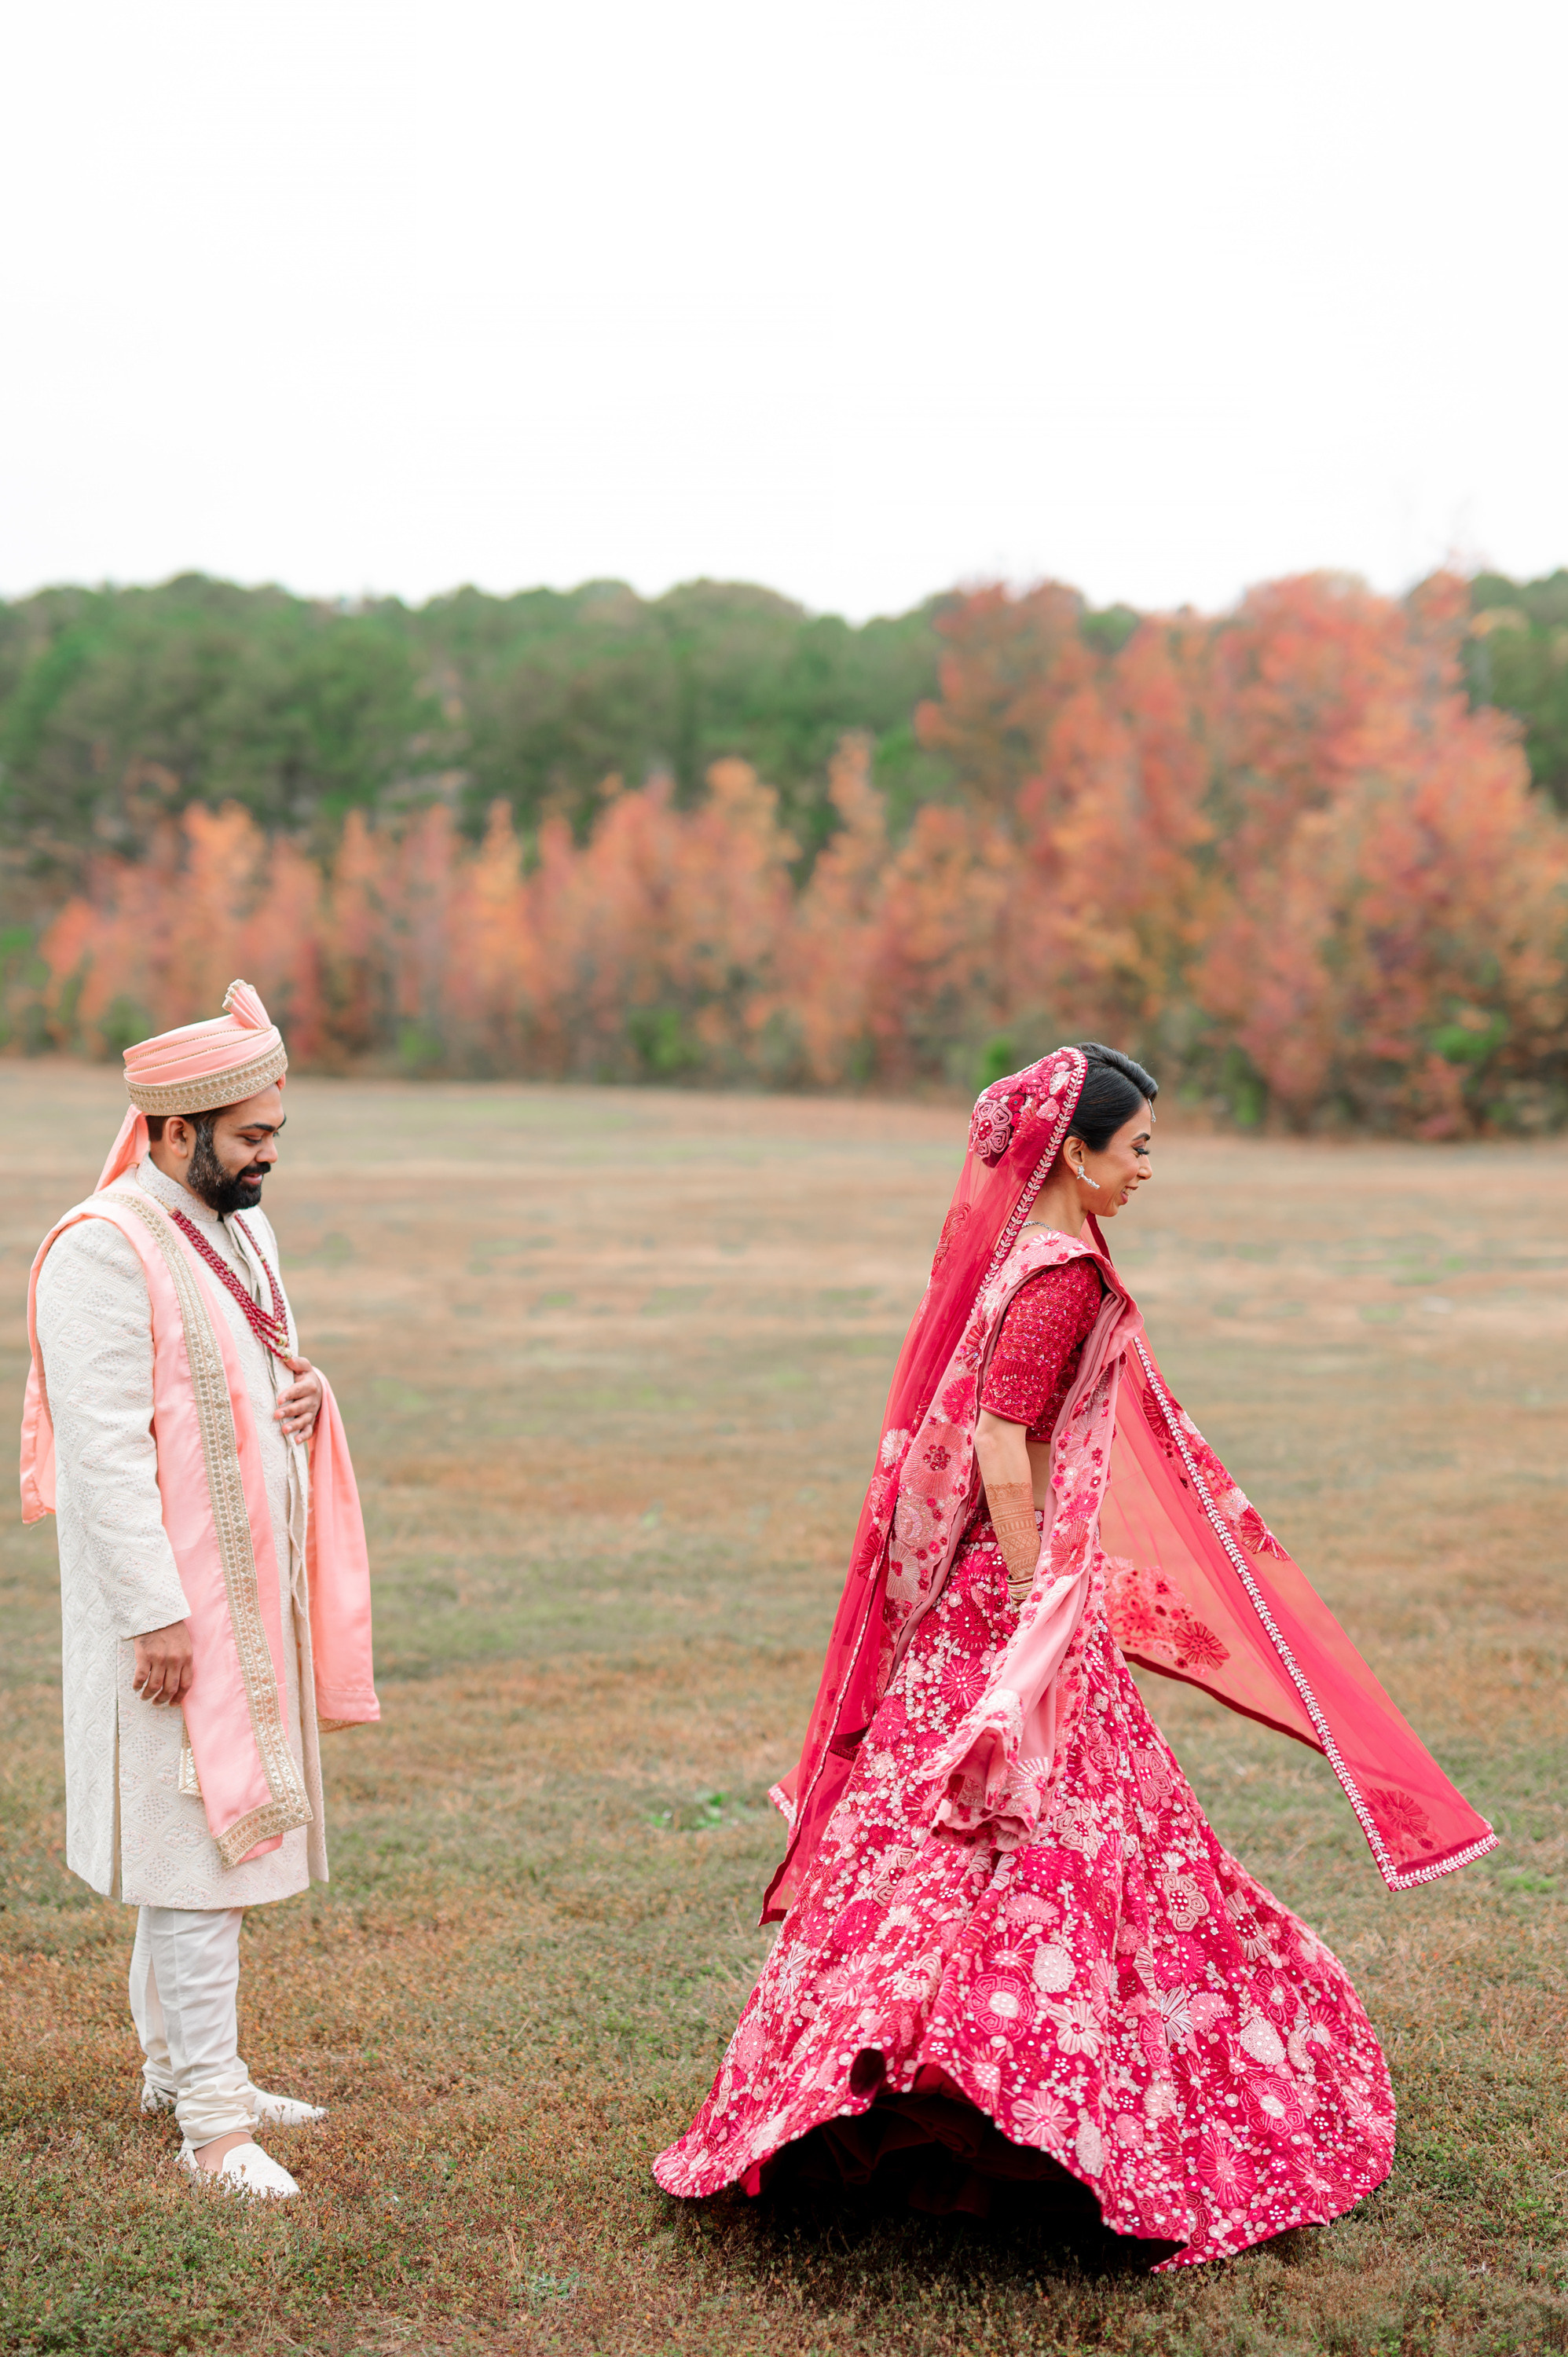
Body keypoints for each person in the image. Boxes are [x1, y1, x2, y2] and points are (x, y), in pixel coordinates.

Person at [655, 1043, 1494, 2266]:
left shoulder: (1025, 1256)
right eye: (1138, 1144)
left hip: (998, 1594)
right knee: (1048, 1834)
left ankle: (935, 2088)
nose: (1151, 1166)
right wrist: (1044, 1591)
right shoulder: (1061, 1278)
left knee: (968, 1846)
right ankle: (1004, 2093)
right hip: (1018, 1598)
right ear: (1078, 1151)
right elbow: (1003, 1445)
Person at [22, 981, 378, 2200]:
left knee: (202, 1855)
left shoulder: (238, 1225)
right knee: (196, 1860)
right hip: (170, 1623)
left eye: (274, 1132)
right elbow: (106, 1448)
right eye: (252, 1137)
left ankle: (180, 2070)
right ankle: (215, 2128)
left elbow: (253, 1358)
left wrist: (304, 1394)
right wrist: (154, 1615)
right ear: (175, 1133)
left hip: (244, 1601)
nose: (269, 1155)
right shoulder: (102, 1250)